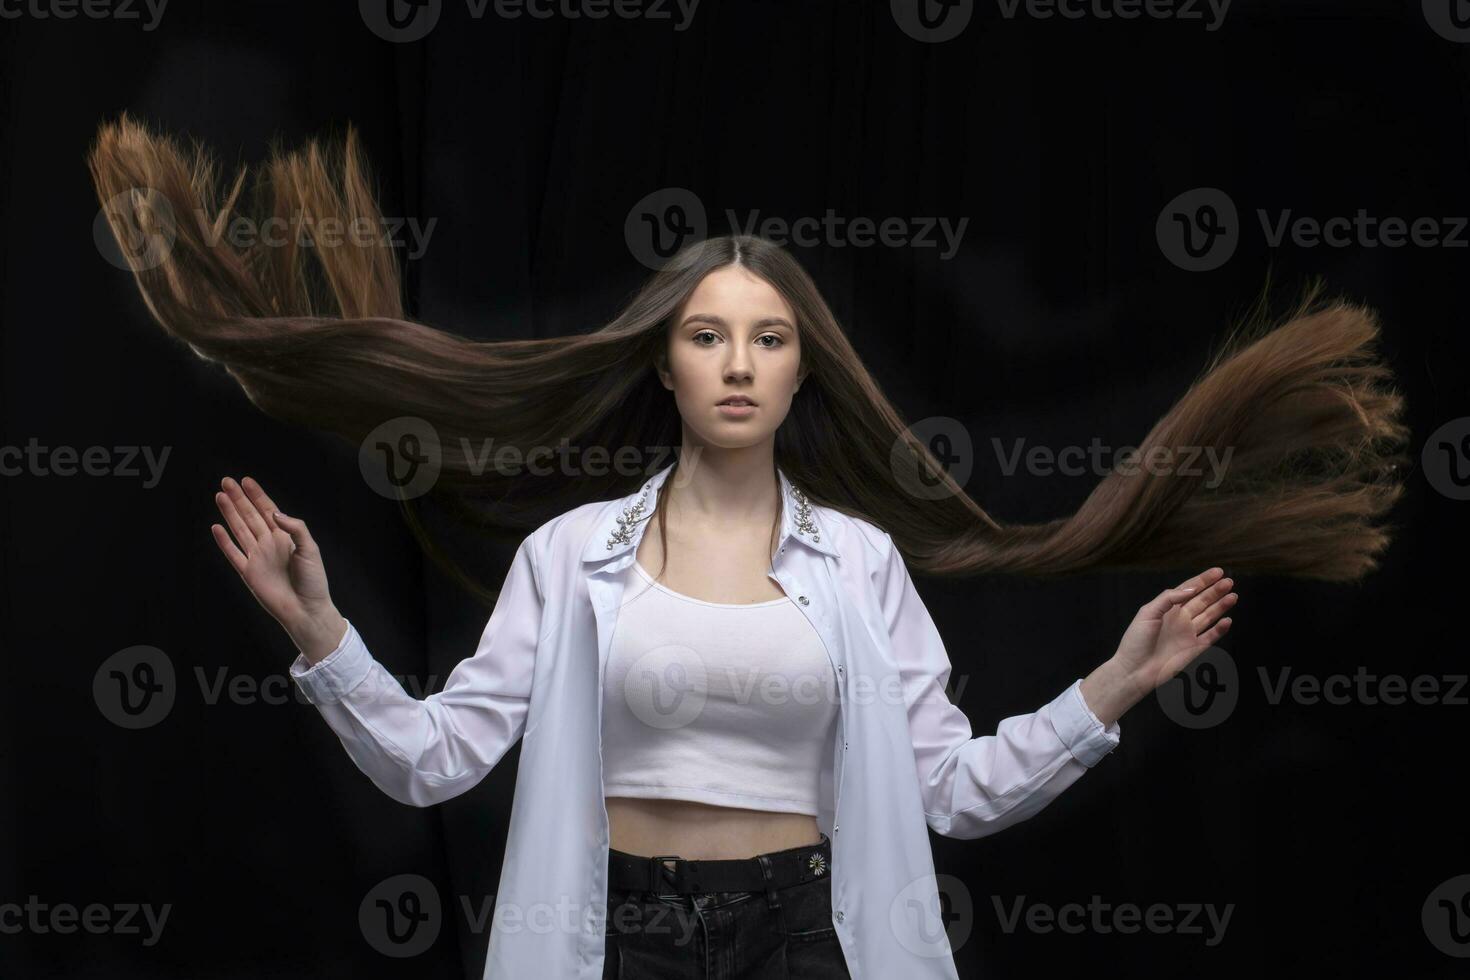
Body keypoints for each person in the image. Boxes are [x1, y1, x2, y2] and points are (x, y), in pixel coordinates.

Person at [90, 114, 1408, 978]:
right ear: (662, 365)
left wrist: (1116, 679)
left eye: (766, 339)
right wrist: (320, 630)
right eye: (706, 335)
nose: (736, 363)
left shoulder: (857, 568)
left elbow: (952, 791)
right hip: (615, 934)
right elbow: (434, 763)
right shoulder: (570, 557)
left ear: (800, 373)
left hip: (805, 931)